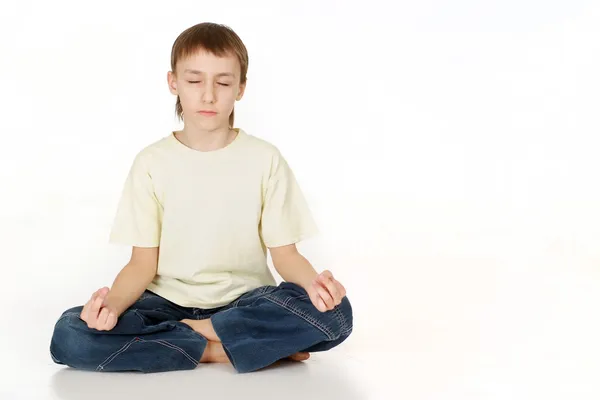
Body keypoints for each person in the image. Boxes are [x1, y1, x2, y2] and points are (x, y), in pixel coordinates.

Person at [49, 22, 353, 374]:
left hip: (245, 303)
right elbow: (141, 264)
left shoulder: (265, 159)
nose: (208, 95)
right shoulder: (151, 163)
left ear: (240, 88)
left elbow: (285, 255)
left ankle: (202, 337)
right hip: (167, 304)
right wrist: (112, 308)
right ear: (173, 82)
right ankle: (223, 351)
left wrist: (316, 288)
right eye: (194, 81)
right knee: (71, 334)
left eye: (223, 83)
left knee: (338, 316)